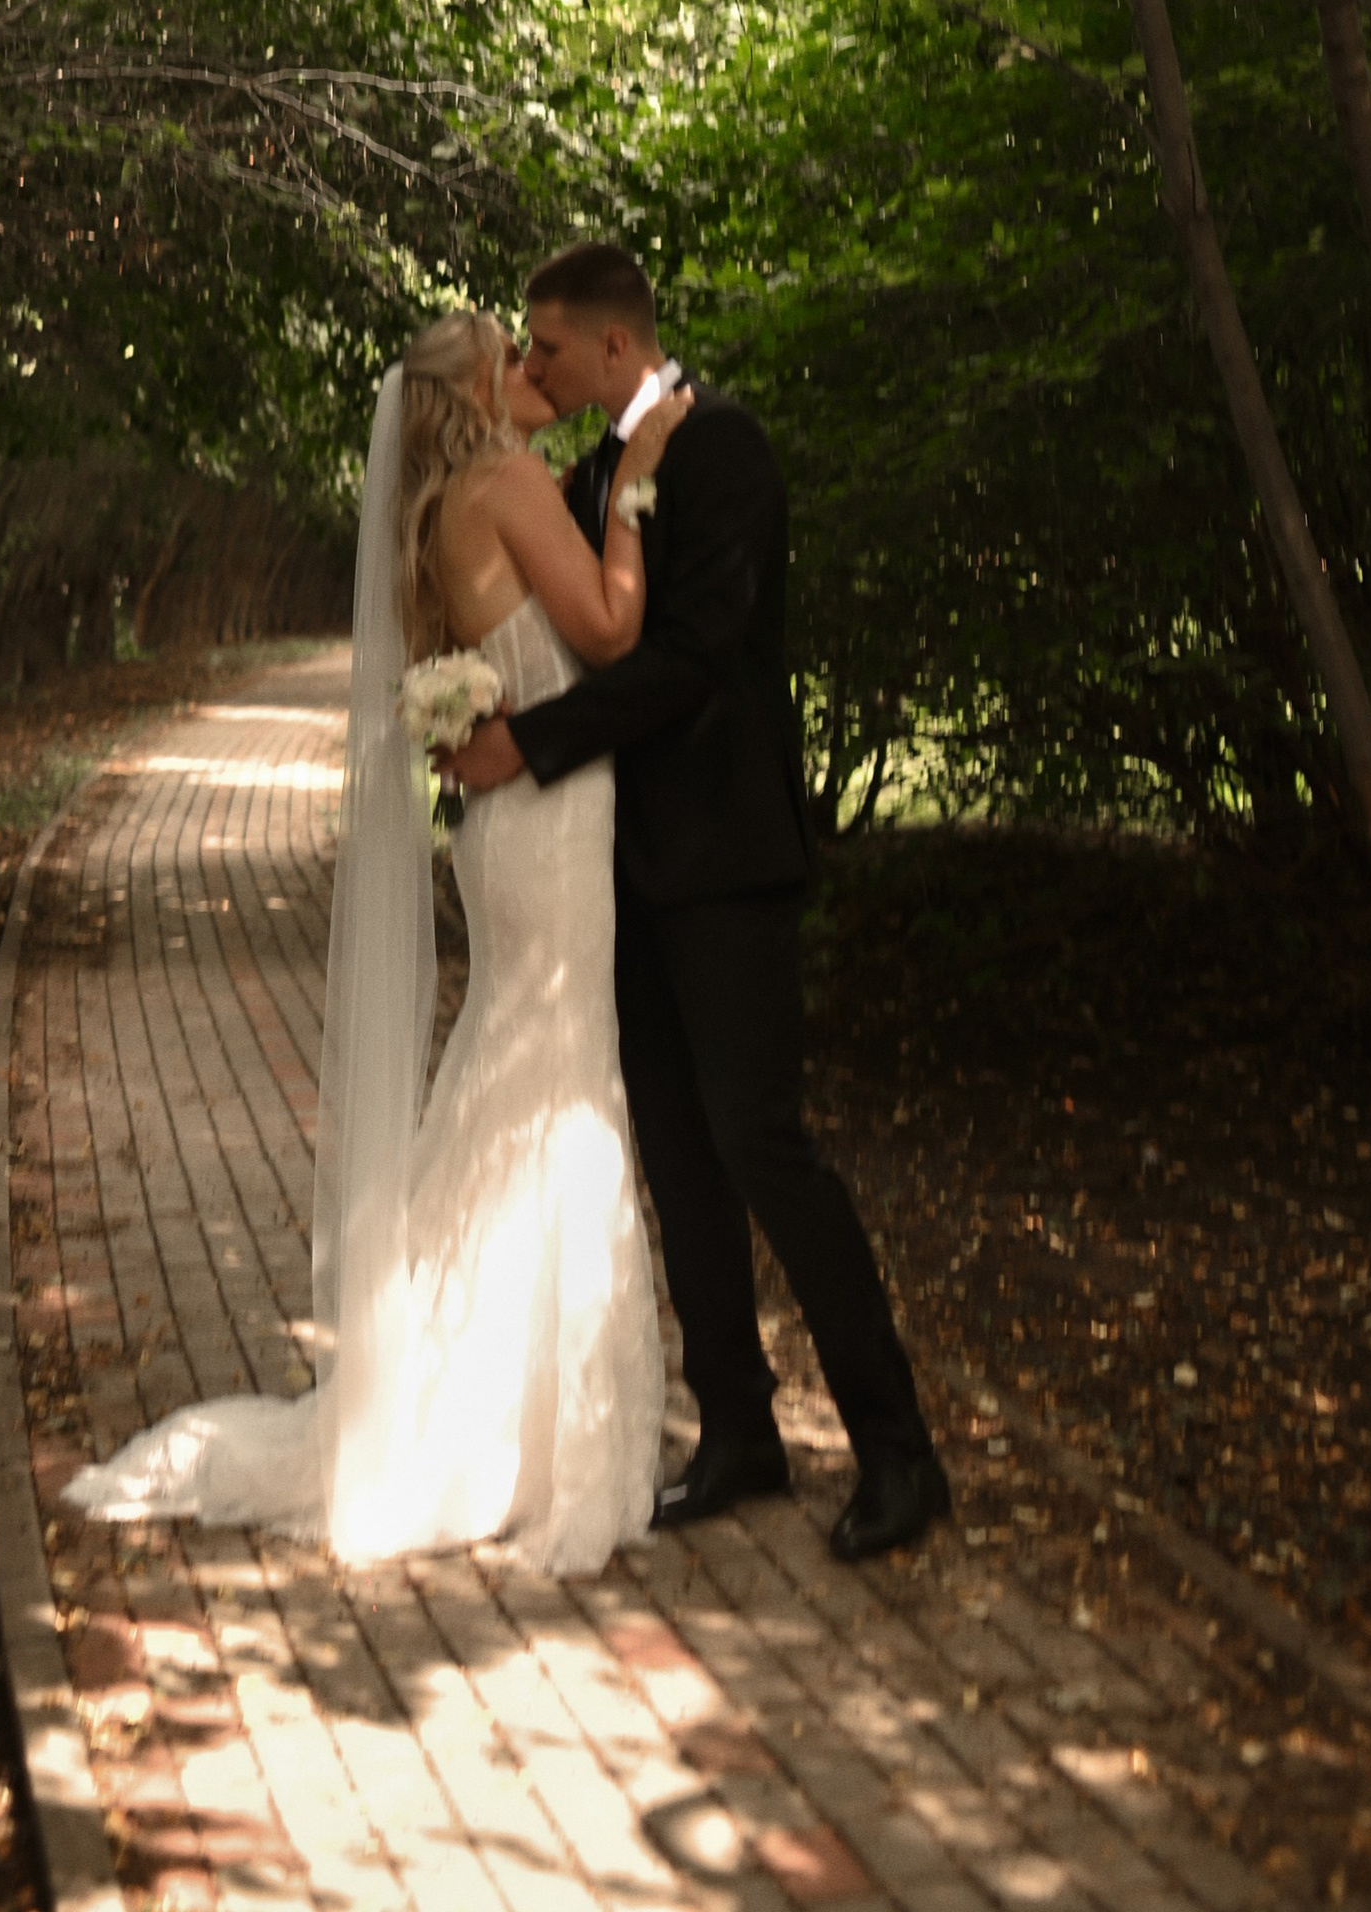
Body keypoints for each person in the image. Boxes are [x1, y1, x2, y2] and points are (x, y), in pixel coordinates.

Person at [62, 310, 686, 1566]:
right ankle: (525, 1437)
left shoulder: (436, 514)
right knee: (559, 1091)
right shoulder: (509, 481)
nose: (531, 369)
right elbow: (610, 630)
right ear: (470, 394)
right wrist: (645, 469)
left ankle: (470, 1407)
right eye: (510, 355)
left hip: (508, 827)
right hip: (555, 822)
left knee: (510, 1081)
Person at [444, 240, 950, 1564]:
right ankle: (738, 1431)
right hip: (620, 870)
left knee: (762, 1145)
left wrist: (531, 745)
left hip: (725, 861)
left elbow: (690, 659)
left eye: (544, 345)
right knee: (677, 1158)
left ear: (615, 345)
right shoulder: (598, 473)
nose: (529, 364)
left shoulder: (722, 448)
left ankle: (901, 1453)